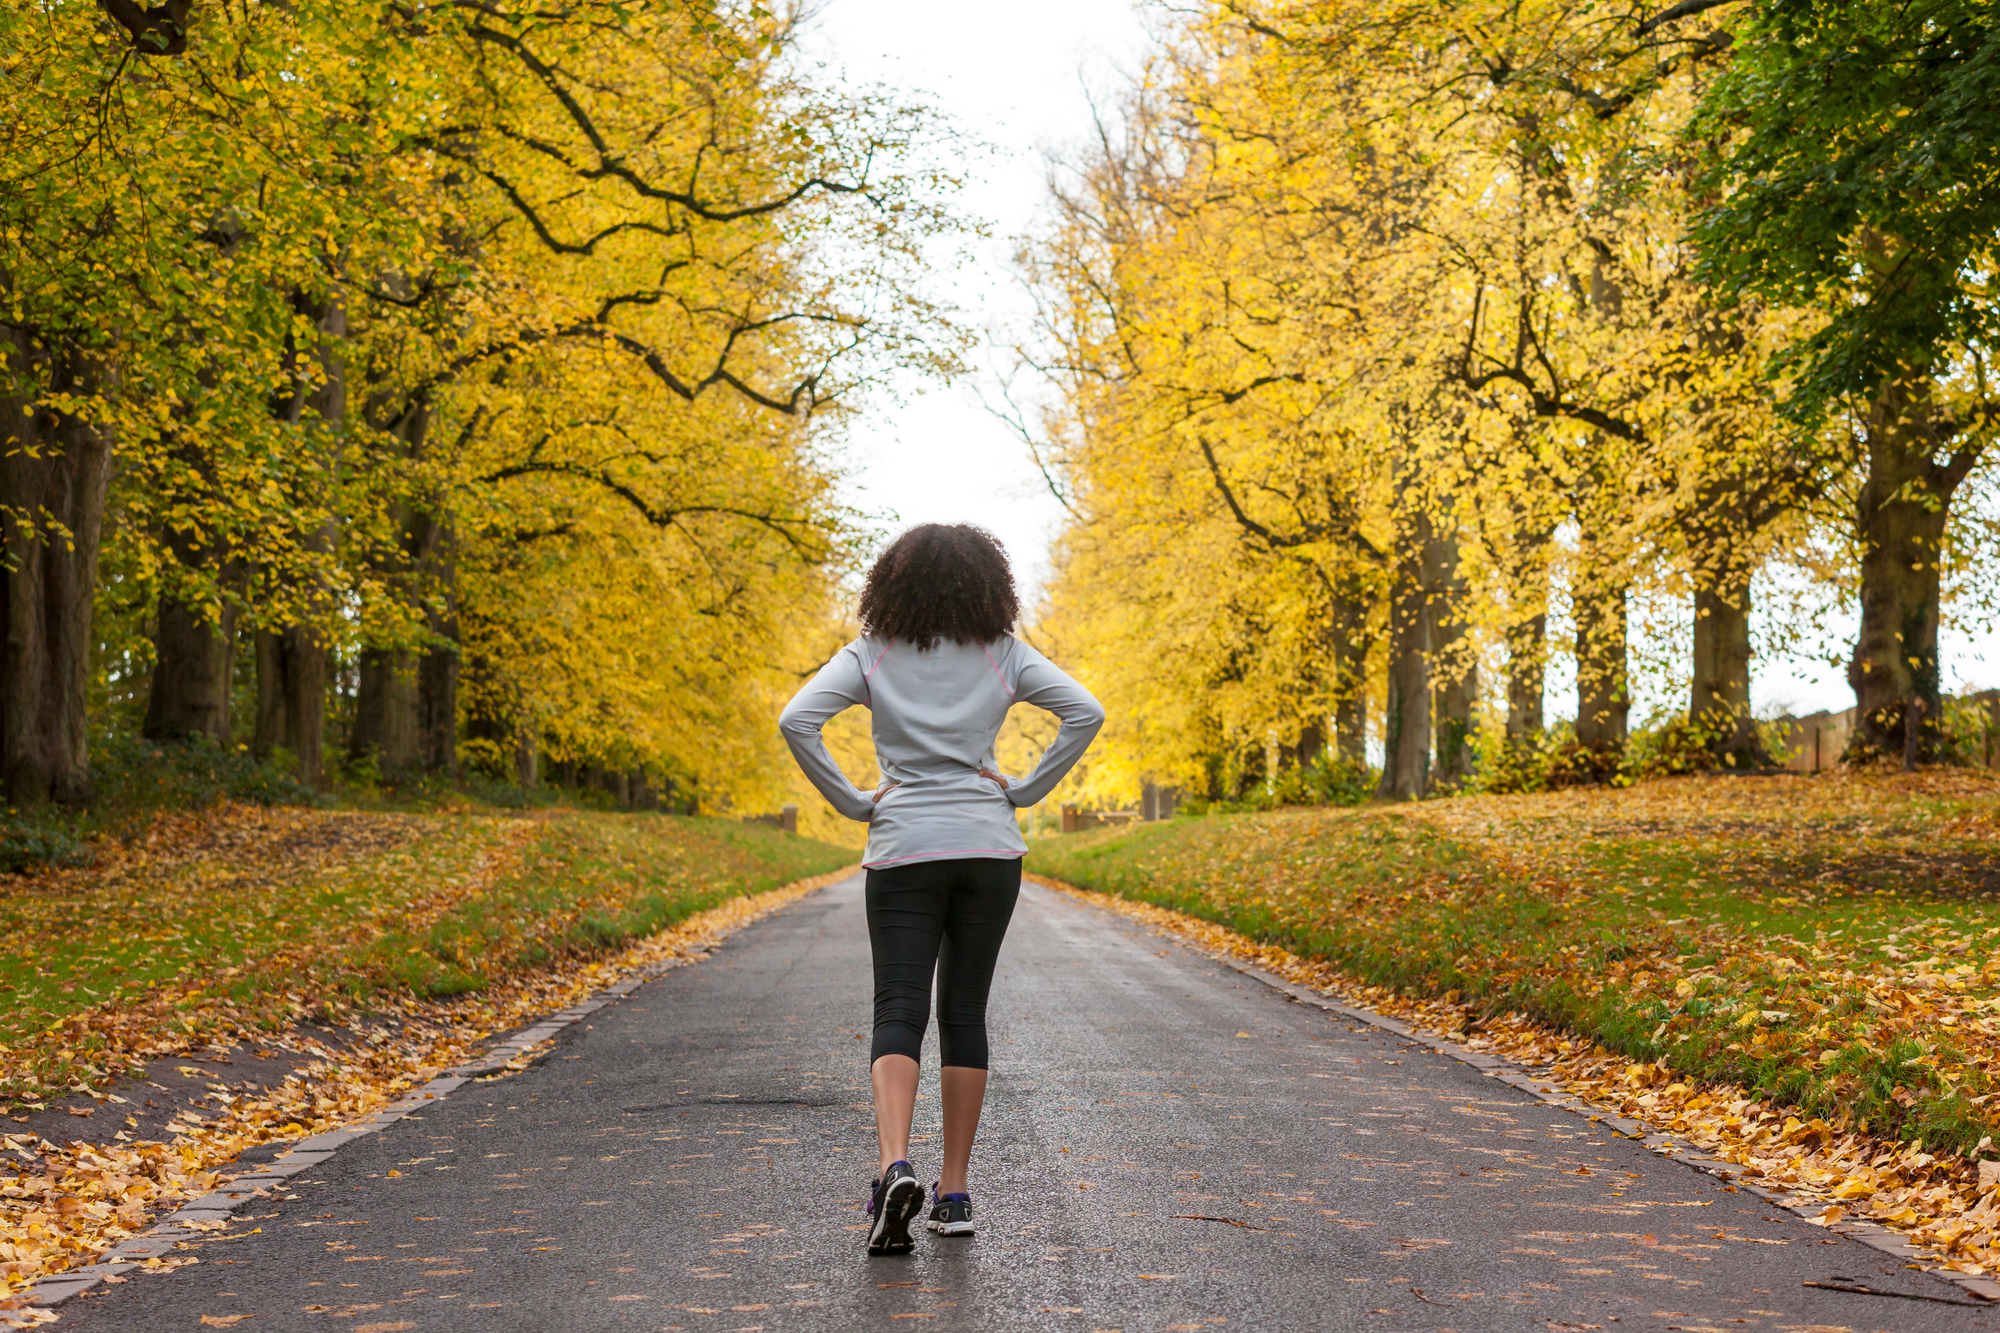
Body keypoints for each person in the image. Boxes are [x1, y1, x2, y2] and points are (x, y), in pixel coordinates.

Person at [778, 523, 1105, 1255]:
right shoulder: (1004, 654)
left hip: (904, 846)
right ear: (988, 585)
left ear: (892, 585)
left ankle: (895, 1165)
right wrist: (1022, 789)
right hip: (989, 846)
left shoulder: (872, 654)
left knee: (899, 1007)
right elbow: (1086, 711)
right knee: (964, 1011)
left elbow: (797, 718)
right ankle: (953, 1194)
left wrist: (855, 801)